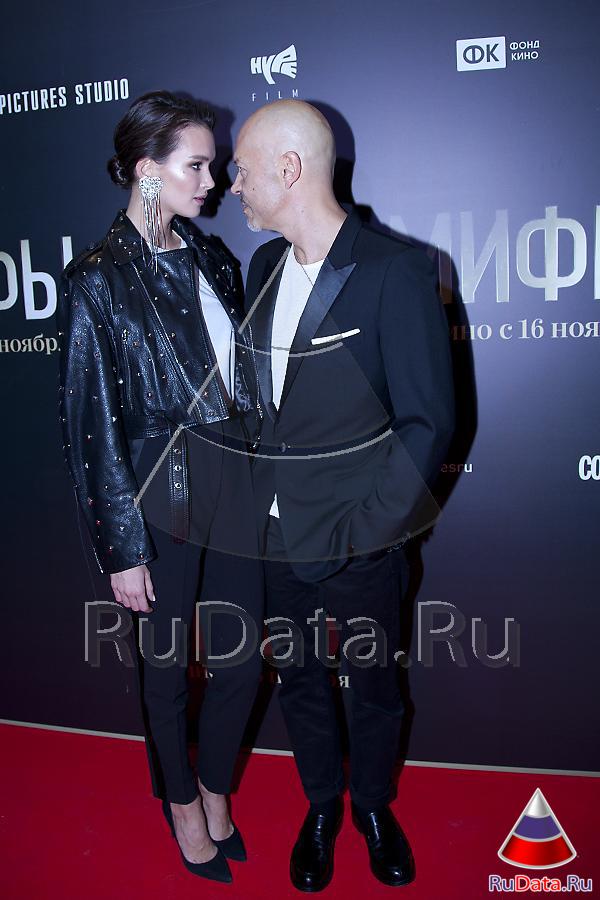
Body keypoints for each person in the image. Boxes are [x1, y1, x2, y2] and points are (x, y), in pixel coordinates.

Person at [231, 100, 455, 891]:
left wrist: (367, 531)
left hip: (363, 541)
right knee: (297, 680)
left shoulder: (394, 271)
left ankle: (373, 808)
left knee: (373, 687)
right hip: (273, 535)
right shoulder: (262, 267)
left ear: (288, 170)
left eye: (243, 171)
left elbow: (428, 423)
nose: (234, 186)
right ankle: (322, 804)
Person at [57, 91, 265, 884]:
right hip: (159, 490)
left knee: (241, 661)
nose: (214, 182)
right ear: (147, 172)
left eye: (213, 166)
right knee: (167, 667)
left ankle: (214, 789)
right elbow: (91, 425)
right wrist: (122, 546)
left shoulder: (215, 259)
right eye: (197, 166)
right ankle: (181, 805)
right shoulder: (98, 279)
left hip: (234, 479)